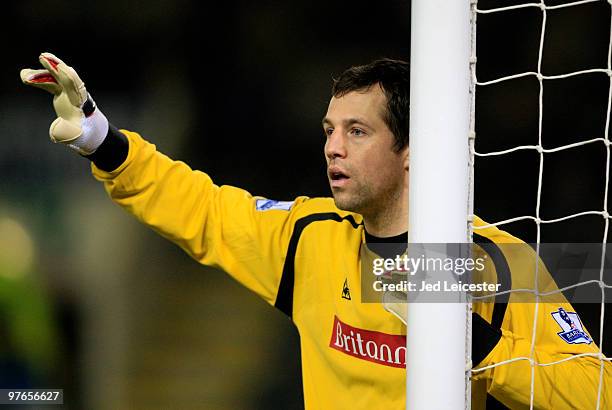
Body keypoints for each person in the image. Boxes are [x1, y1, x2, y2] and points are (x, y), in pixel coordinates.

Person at [20, 53, 610, 409]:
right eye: (329, 129)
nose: (332, 147)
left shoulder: (493, 259)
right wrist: (103, 141)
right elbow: (200, 208)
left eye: (357, 131)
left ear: (411, 148)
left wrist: (472, 344)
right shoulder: (310, 238)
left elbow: (594, 392)